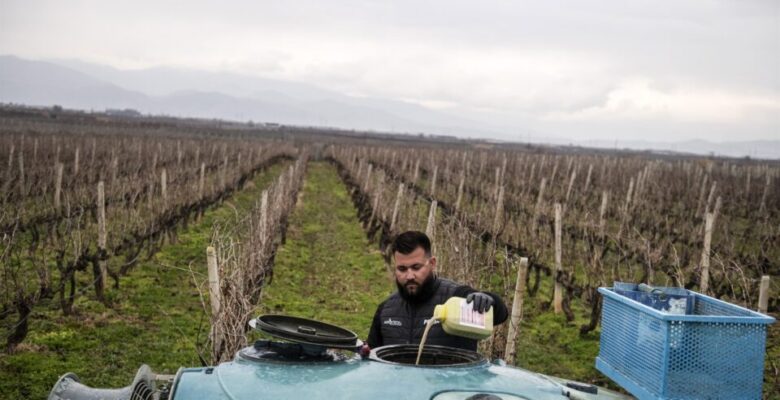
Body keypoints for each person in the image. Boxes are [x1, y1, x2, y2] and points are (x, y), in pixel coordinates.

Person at [367, 231, 508, 351]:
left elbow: (499, 314)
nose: (409, 276)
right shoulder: (386, 310)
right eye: (402, 269)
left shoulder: (456, 297)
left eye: (416, 267)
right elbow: (371, 359)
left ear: (432, 263)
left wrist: (488, 300)